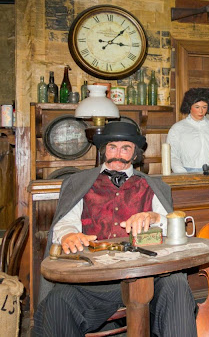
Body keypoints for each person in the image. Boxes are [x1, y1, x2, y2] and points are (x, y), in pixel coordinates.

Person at [33, 121, 198, 336]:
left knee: (176, 285)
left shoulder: (152, 186)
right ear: (104, 150)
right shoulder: (79, 183)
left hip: (146, 277)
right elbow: (65, 222)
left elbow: (173, 227)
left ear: (135, 154)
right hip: (93, 281)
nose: (118, 154)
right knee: (58, 301)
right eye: (112, 147)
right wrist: (69, 234)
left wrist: (154, 217)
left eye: (125, 148)